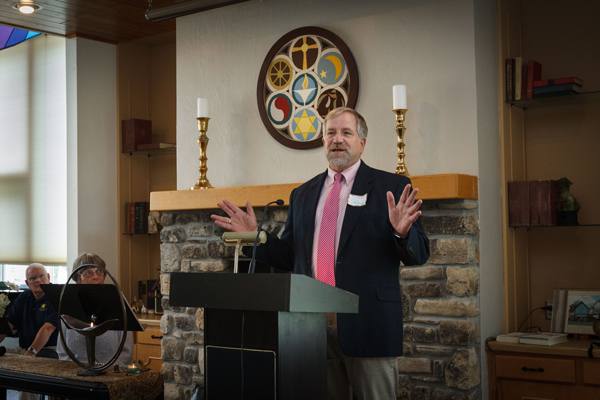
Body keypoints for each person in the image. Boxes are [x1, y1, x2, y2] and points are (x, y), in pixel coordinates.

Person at [211, 107, 430, 400]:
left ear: (362, 142)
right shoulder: (302, 194)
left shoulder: (391, 187)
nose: (337, 139)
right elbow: (289, 255)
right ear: (323, 141)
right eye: (330, 133)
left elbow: (420, 253)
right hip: (311, 326)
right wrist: (255, 237)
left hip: (369, 323)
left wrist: (402, 233)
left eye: (346, 133)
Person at [57, 253, 133, 367]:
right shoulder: (70, 307)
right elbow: (62, 351)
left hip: (111, 371)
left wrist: (109, 368)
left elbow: (126, 351)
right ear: (78, 279)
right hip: (76, 373)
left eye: (99, 272)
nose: (96, 277)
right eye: (88, 273)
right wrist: (73, 369)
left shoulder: (117, 304)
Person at [2, 263, 59, 358]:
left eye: (41, 276)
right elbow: (9, 324)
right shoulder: (24, 297)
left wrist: (30, 353)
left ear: (48, 277)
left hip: (50, 350)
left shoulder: (56, 296)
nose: (38, 280)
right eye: (32, 278)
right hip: (25, 349)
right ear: (27, 283)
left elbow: (48, 328)